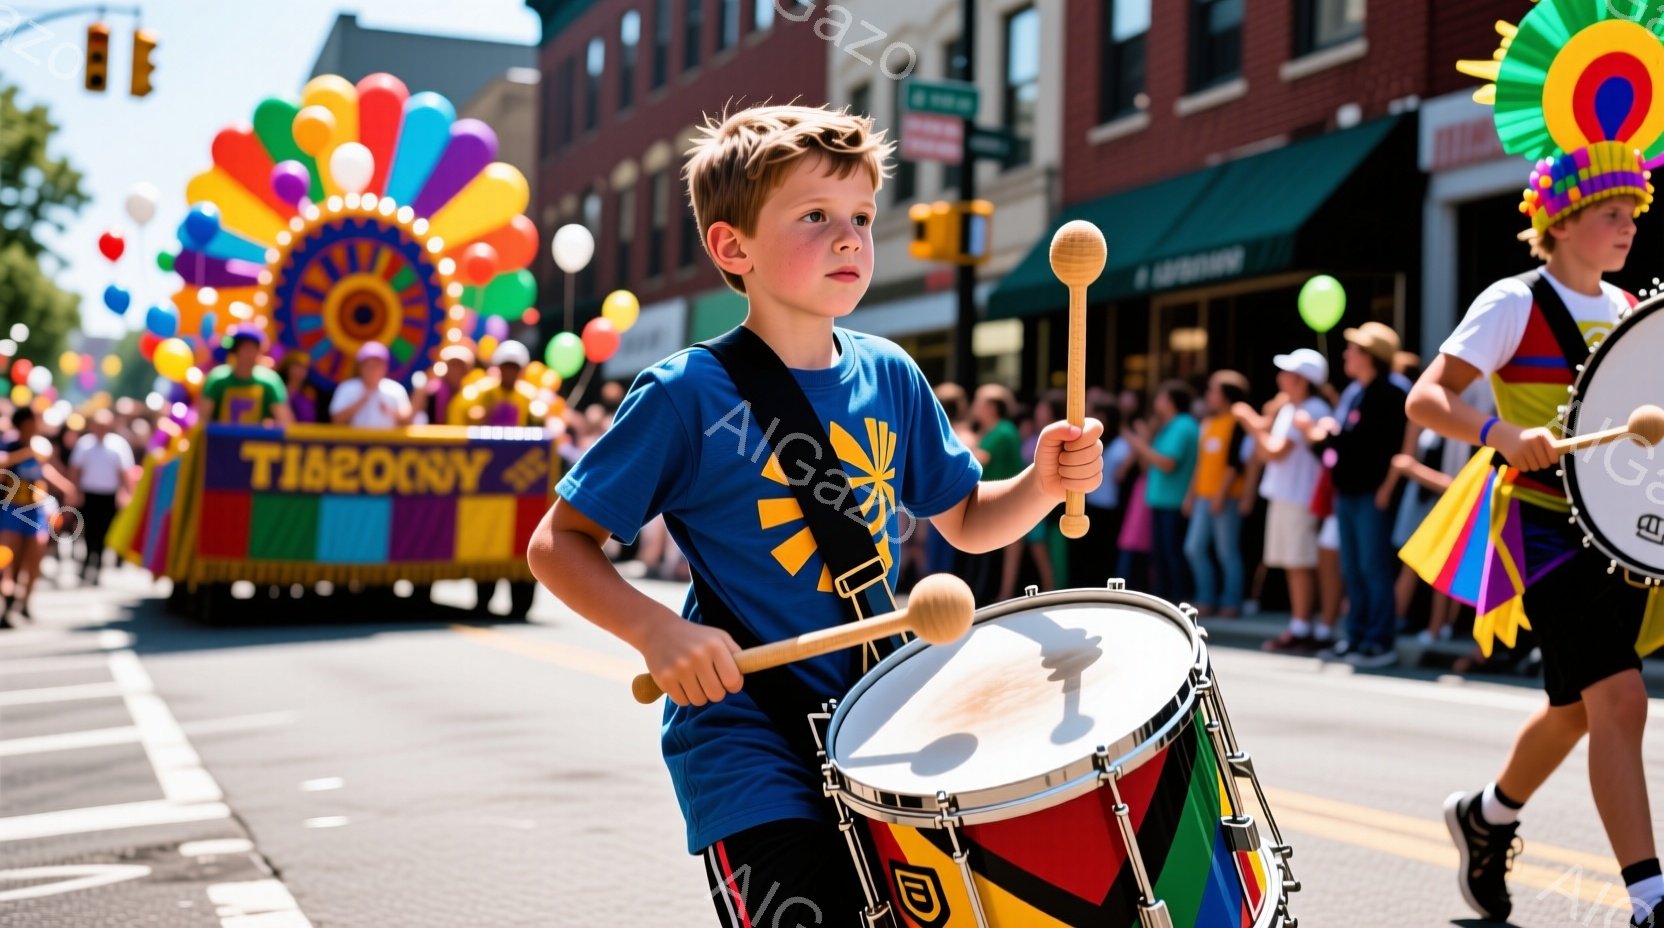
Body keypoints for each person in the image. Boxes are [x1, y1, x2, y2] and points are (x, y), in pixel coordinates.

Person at [525, 103, 1103, 927]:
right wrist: (659, 632)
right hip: (747, 740)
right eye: (815, 216)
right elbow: (559, 545)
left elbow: (968, 518)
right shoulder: (687, 394)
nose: (849, 238)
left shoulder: (892, 374)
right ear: (734, 248)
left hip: (883, 714)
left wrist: (1042, 482)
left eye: (862, 217)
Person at [1404, 7, 1664, 922]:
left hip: (1626, 534)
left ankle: (1487, 817)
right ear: (1559, 220)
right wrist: (1494, 433)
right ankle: (1650, 897)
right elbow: (1426, 397)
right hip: (1547, 527)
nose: (1627, 224)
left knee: (1582, 704)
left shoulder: (1633, 311)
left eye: (1633, 209)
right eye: (1608, 211)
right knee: (1620, 698)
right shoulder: (1514, 302)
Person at [1299, 322, 1407, 668]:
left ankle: (1379, 641)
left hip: (1372, 494)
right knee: (1353, 568)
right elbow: (1346, 441)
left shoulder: (1392, 391)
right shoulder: (1354, 392)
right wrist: (1329, 434)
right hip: (1347, 492)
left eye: (1354, 348)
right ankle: (1356, 636)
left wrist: (1387, 489)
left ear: (1370, 355)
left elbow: (1386, 448)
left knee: (1374, 568)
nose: (1347, 353)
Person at [1235, 348, 1334, 652]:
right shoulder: (1294, 408)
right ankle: (1302, 624)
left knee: (1300, 563)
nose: (1280, 377)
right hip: (1289, 495)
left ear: (1301, 380)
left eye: (1288, 372)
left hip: (1299, 497)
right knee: (1295, 563)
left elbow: (1274, 451)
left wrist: (1248, 421)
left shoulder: (1312, 408)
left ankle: (1305, 627)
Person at [1122, 379, 1199, 604]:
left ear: (1170, 401)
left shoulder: (1183, 425)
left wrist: (1136, 442)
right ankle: (1166, 599)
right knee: (1161, 554)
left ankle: (1177, 600)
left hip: (1174, 501)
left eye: (1161, 397)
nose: (1156, 402)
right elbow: (1149, 465)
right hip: (1161, 500)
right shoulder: (1170, 425)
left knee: (1172, 554)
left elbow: (1167, 463)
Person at [1184, 370, 1253, 617]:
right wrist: (1190, 495)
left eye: (1213, 390)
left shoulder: (1238, 421)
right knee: (1194, 548)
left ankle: (1231, 601)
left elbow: (1236, 463)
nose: (1208, 395)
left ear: (1226, 395)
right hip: (1204, 496)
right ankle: (1206, 597)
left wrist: (1221, 495)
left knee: (1227, 552)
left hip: (1227, 497)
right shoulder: (1208, 423)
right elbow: (1202, 463)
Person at [0, 407, 77, 624]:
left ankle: (25, 602)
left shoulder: (41, 446)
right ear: (23, 423)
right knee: (8, 559)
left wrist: (67, 487)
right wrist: (25, 453)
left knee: (34, 557)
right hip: (11, 509)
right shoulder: (9, 444)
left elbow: (46, 472)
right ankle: (8, 601)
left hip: (35, 511)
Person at [967, 383, 1025, 602]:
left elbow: (980, 457)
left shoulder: (1004, 430)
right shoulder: (988, 431)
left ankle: (1003, 596)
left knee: (1002, 555)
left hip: (1007, 502)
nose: (974, 406)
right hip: (991, 501)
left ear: (991, 407)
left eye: (978, 401)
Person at [67, 409, 134, 585]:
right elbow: (75, 470)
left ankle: (98, 564)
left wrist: (128, 493)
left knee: (105, 531)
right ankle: (88, 560)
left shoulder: (119, 445)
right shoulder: (84, 444)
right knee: (88, 530)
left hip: (108, 496)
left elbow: (125, 472)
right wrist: (74, 491)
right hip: (89, 494)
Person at [198, 325, 294, 426]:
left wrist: (272, 426)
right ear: (235, 351)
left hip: (256, 441)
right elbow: (203, 420)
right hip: (222, 441)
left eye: (253, 349)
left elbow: (285, 421)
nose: (249, 355)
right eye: (245, 349)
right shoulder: (217, 379)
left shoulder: (270, 382)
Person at [450, 341, 536, 427]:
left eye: (514, 368)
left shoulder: (528, 395)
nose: (510, 372)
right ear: (499, 367)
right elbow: (462, 413)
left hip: (518, 439)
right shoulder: (482, 391)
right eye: (506, 366)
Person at [330, 342, 412, 428]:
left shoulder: (395, 390)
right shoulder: (346, 388)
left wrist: (391, 411)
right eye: (368, 364)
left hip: (387, 441)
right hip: (356, 441)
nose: (372, 369)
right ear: (360, 367)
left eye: (377, 364)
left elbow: (408, 420)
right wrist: (360, 402)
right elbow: (336, 419)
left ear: (385, 367)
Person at [416, 345, 475, 425]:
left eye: (460, 365)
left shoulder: (473, 394)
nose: (456, 370)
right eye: (452, 365)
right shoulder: (431, 392)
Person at [276, 351, 321, 424]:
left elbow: (309, 419)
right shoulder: (276, 388)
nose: (300, 371)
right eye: (297, 366)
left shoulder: (310, 393)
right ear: (287, 367)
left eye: (304, 368)